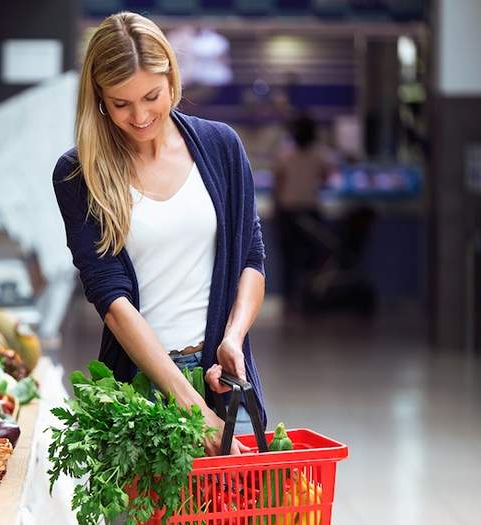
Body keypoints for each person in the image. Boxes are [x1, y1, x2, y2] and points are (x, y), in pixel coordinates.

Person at [52, 12, 266, 455]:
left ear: (171, 76)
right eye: (121, 103)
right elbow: (111, 300)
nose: (141, 115)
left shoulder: (221, 146)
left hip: (222, 379)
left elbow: (251, 258)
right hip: (139, 388)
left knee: (233, 519)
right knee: (142, 524)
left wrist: (233, 337)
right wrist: (187, 403)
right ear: (99, 100)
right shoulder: (79, 174)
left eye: (151, 96)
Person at [272, 113, 334, 312]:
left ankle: (290, 301)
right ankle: (308, 300)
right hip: (309, 210)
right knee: (311, 259)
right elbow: (327, 176)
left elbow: (277, 182)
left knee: (289, 260)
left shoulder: (285, 153)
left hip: (287, 211)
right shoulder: (320, 154)